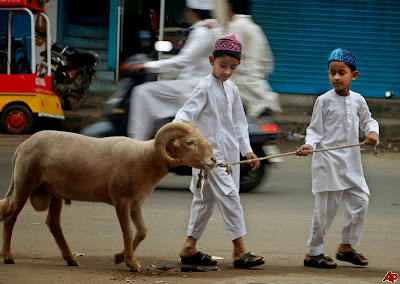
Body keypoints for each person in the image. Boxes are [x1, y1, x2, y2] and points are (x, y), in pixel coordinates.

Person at [174, 34, 265, 269]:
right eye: (222, 65)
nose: (226, 71)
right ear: (211, 60)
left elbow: (240, 123)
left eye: (232, 67)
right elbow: (184, 115)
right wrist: (180, 138)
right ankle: (239, 250)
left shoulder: (232, 89)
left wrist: (247, 150)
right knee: (230, 196)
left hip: (231, 156)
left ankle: (189, 247)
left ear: (238, 66)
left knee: (204, 202)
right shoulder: (204, 87)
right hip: (210, 158)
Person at [296, 48, 379, 269]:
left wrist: (373, 133)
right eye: (332, 72)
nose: (336, 77)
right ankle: (313, 253)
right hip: (327, 163)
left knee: (361, 199)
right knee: (325, 211)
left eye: (341, 72)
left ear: (354, 75)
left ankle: (346, 246)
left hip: (351, 162)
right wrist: (309, 145)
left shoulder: (359, 100)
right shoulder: (323, 101)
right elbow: (314, 130)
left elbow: (369, 121)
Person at [122, 0, 218, 141]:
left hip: (194, 85)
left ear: (194, 13)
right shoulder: (211, 28)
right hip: (197, 82)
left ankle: (137, 146)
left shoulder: (203, 32)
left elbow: (182, 61)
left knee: (142, 92)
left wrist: (145, 66)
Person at [224, 0, 282, 118]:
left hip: (242, 86)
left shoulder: (236, 26)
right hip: (259, 86)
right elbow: (268, 62)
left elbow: (228, 54)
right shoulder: (255, 28)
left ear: (230, 7)